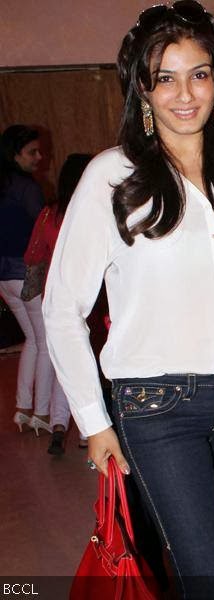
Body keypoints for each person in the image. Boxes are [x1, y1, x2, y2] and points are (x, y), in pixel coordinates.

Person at [42, 3, 214, 598]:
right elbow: (62, 307)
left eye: (199, 74)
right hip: (157, 409)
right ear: (143, 92)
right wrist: (94, 422)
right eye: (164, 78)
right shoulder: (112, 176)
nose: (184, 94)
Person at [24, 153, 93, 455]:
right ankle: (87, 433)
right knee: (88, 362)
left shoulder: (49, 214)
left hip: (58, 296)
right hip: (93, 299)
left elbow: (32, 255)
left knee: (64, 360)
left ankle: (58, 425)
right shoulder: (95, 211)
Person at [0, 124, 53, 435]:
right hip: (27, 274)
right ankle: (42, 413)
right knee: (44, 342)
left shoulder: (4, 185)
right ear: (15, 153)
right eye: (32, 152)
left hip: (4, 278)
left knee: (32, 341)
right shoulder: (27, 188)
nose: (39, 157)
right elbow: (42, 232)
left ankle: (22, 408)